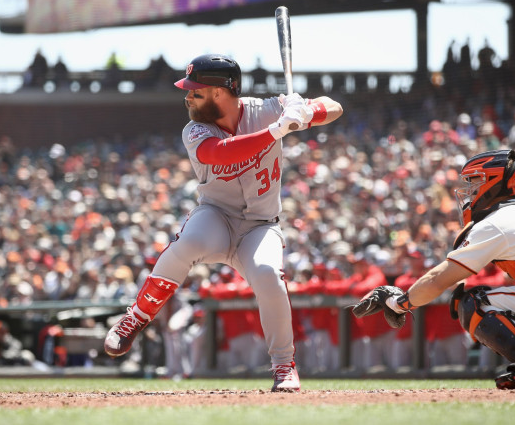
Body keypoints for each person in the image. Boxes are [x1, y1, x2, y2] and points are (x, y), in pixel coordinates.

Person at [104, 53, 343, 391]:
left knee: (268, 276)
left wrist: (306, 111)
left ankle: (283, 366)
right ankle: (135, 318)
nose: (187, 97)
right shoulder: (195, 128)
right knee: (188, 243)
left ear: (219, 93)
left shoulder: (265, 109)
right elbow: (222, 152)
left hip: (261, 224)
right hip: (216, 215)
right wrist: (278, 130)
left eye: (195, 91)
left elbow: (334, 107)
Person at [353, 149, 515, 389]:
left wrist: (399, 303)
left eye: (475, 181)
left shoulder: (498, 221)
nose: (469, 190)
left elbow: (440, 279)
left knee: (473, 303)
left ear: (494, 181)